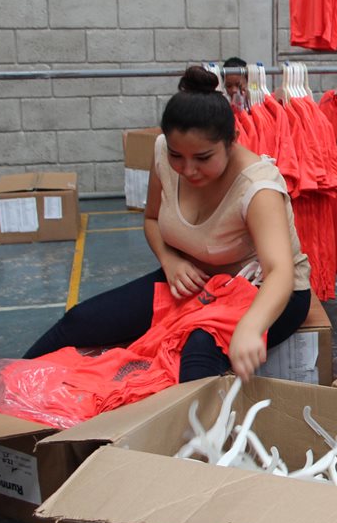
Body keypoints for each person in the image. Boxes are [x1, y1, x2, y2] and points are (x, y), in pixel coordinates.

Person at [25, 66, 312, 381]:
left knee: (198, 354)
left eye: (203, 158)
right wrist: (170, 260)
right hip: (194, 280)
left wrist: (251, 327)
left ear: (232, 141)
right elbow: (151, 219)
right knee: (81, 321)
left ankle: (197, 415)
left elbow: (279, 272)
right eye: (178, 156)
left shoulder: (257, 186)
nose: (188, 169)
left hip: (264, 292)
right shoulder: (162, 151)